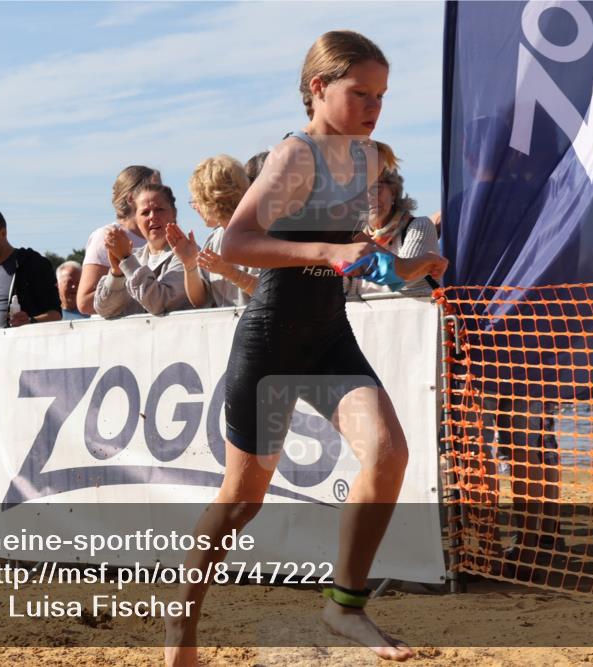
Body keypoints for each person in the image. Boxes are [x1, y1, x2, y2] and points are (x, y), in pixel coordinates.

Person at [163, 30, 447, 666]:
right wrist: (326, 249)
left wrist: (404, 267)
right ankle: (181, 628)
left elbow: (355, 258)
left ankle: (344, 605)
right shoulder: (296, 154)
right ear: (319, 88)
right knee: (241, 502)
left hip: (328, 337)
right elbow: (236, 242)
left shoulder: (367, 159)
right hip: (272, 342)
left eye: (381, 95)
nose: (374, 107)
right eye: (360, 93)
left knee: (389, 453)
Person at [94, 184, 198, 318]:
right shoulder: (134, 257)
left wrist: (126, 260)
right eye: (145, 212)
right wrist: (117, 274)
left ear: (174, 214)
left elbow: (160, 304)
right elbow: (104, 309)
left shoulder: (188, 255)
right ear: (136, 221)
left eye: (159, 209)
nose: (152, 216)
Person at [346, 158, 440, 297]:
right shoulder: (351, 237)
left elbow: (402, 278)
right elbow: (339, 289)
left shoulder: (419, 226)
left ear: (393, 192)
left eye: (376, 188)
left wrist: (353, 236)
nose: (369, 197)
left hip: (415, 311)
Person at [77, 166, 161, 315]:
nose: (163, 195)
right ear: (131, 198)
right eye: (155, 189)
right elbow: (85, 303)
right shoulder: (107, 237)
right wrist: (147, 290)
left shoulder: (163, 236)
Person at [180, 155, 259, 308]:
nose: (194, 206)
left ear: (211, 200)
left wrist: (229, 272)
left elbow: (272, 293)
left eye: (197, 199)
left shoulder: (261, 234)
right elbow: (200, 301)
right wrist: (189, 265)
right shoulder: (214, 238)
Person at [0, 208, 61, 328]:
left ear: (3, 233)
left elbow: (56, 315)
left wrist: (30, 321)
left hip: (28, 340)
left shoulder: (32, 263)